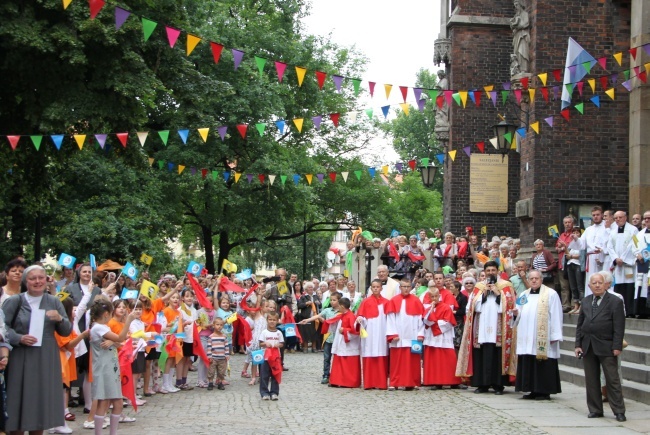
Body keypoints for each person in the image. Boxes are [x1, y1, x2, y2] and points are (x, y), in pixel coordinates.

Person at [2, 265, 72, 434]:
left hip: (45, 357)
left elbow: (66, 330)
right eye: (33, 278)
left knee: (40, 402)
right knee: (18, 401)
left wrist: (60, 319)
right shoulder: (14, 301)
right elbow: (2, 328)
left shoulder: (54, 301)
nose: (37, 281)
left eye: (41, 277)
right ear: (26, 281)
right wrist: (18, 338)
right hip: (20, 356)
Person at [456, 261, 517, 395]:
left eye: (493, 270)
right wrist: (483, 295)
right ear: (484, 272)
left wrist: (498, 294)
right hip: (481, 328)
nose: (490, 273)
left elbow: (510, 306)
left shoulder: (505, 286)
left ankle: (498, 385)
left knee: (497, 356)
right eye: (488, 270)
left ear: (498, 271)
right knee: (480, 356)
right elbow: (472, 307)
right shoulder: (479, 287)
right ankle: (481, 384)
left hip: (498, 328)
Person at [575, 273, 627, 422]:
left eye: (600, 282)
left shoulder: (615, 301)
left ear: (605, 285)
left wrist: (617, 346)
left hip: (607, 346)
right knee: (591, 380)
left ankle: (619, 410)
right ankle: (595, 409)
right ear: (590, 286)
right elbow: (580, 325)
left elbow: (619, 326)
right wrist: (578, 344)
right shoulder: (585, 301)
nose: (597, 285)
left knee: (612, 379)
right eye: (594, 283)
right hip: (588, 345)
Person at [88, 297, 136, 434]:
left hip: (111, 368)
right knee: (104, 402)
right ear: (106, 314)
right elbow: (119, 338)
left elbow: (118, 341)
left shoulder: (104, 327)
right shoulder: (98, 327)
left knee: (117, 402)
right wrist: (128, 320)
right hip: (104, 369)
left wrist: (112, 342)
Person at [513, 270, 563, 400]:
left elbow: (557, 315)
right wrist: (515, 314)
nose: (534, 281)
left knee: (542, 363)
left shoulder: (551, 294)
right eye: (531, 279)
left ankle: (543, 390)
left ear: (541, 279)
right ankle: (531, 389)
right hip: (527, 335)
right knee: (529, 361)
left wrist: (555, 335)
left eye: (536, 278)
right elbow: (517, 314)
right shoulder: (524, 294)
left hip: (543, 336)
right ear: (528, 280)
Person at [385, 278, 425, 390]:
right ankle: (395, 382)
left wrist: (420, 334)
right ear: (400, 287)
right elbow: (390, 319)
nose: (406, 289)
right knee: (397, 362)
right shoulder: (393, 300)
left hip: (412, 336)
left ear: (411, 287)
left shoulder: (416, 300)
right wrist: (392, 334)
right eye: (404, 286)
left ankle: (412, 382)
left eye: (408, 286)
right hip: (398, 337)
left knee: (412, 361)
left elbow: (420, 319)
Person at [422, 287, 461, 389]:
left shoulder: (446, 307)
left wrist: (434, 323)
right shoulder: (428, 308)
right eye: (432, 297)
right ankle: (436, 382)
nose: (434, 299)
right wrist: (431, 315)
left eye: (436, 296)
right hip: (432, 337)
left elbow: (449, 322)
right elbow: (425, 321)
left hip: (443, 336)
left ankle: (453, 381)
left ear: (439, 296)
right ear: (429, 297)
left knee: (448, 359)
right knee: (434, 360)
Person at [299, 292, 340, 384]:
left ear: (339, 301)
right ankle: (326, 375)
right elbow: (317, 316)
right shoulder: (328, 310)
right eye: (331, 300)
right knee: (327, 357)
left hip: (339, 339)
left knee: (338, 358)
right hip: (328, 338)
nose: (332, 302)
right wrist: (307, 320)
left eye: (334, 300)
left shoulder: (342, 311)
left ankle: (337, 375)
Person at [355, 279, 389, 390]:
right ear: (371, 288)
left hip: (382, 332)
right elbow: (361, 315)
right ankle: (369, 383)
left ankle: (381, 383)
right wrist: (361, 319)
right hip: (369, 332)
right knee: (369, 353)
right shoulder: (365, 301)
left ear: (381, 288)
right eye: (373, 287)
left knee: (381, 354)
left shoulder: (386, 302)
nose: (375, 289)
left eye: (377, 287)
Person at [607, 211, 638, 316]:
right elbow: (609, 246)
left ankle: (629, 311)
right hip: (618, 265)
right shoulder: (612, 231)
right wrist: (615, 258)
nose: (618, 220)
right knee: (618, 287)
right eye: (616, 218)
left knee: (629, 287)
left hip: (628, 264)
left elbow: (634, 244)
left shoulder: (633, 230)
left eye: (620, 217)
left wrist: (623, 259)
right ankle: (619, 311)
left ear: (625, 218)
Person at [326, 297, 361, 388]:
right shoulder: (342, 315)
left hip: (348, 344)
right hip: (340, 342)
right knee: (338, 362)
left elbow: (356, 331)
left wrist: (344, 330)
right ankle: (336, 380)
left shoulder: (351, 316)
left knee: (347, 365)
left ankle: (349, 382)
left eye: (339, 306)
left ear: (342, 306)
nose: (338, 308)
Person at [582, 206, 608, 297]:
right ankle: (590, 299)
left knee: (603, 278)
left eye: (597, 214)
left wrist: (602, 253)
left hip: (603, 256)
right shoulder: (589, 229)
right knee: (591, 279)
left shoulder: (607, 227)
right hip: (591, 257)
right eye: (593, 215)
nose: (595, 217)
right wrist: (575, 239)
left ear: (602, 215)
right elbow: (582, 243)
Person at [259, 312, 284, 401]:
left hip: (276, 357)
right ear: (267, 320)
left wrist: (278, 345)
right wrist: (265, 343)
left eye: (274, 320)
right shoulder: (264, 332)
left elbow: (282, 343)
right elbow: (260, 343)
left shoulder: (279, 333)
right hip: (266, 358)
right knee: (264, 375)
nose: (272, 322)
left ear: (277, 321)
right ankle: (264, 392)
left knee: (275, 375)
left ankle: (274, 392)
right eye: (270, 319)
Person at [556, 216, 577, 312]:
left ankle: (574, 304)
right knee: (564, 286)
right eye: (566, 222)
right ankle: (565, 305)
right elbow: (557, 248)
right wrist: (560, 248)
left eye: (569, 222)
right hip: (561, 264)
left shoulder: (575, 234)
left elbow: (573, 246)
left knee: (573, 285)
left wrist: (564, 247)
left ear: (572, 223)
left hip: (571, 263)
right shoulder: (561, 236)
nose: (567, 224)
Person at [633, 210, 650, 319]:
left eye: (649, 218)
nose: (647, 220)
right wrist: (637, 254)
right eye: (645, 218)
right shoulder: (638, 234)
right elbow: (633, 246)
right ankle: (643, 311)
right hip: (642, 264)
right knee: (642, 287)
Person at [566, 226, 586, 314]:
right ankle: (576, 305)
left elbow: (582, 254)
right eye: (573, 233)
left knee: (580, 286)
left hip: (578, 265)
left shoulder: (581, 242)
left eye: (577, 233)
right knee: (573, 286)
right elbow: (567, 254)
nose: (575, 234)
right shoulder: (571, 243)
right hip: (570, 265)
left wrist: (572, 256)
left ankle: (582, 305)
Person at [205, 317, 229, 391]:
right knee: (211, 371)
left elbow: (226, 346)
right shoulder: (211, 337)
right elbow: (209, 347)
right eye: (217, 324)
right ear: (214, 325)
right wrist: (209, 356)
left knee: (221, 371)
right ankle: (210, 382)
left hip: (222, 357)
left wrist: (227, 354)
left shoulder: (224, 336)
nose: (219, 326)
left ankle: (220, 382)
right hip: (214, 357)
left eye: (221, 325)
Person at [297, 282, 321, 353]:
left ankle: (314, 348)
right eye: (309, 287)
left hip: (314, 317)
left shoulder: (315, 296)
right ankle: (305, 347)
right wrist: (306, 303)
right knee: (305, 333)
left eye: (311, 287)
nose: (311, 288)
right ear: (306, 289)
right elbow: (299, 305)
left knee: (314, 333)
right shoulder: (303, 297)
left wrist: (318, 303)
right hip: (305, 317)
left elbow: (320, 305)